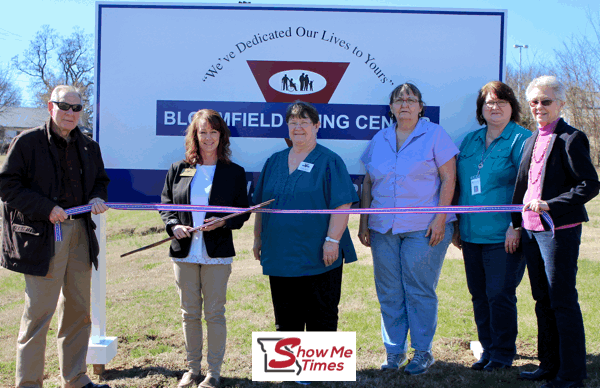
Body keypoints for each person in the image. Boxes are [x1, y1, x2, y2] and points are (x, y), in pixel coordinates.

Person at [0, 85, 110, 388]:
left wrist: (98, 197)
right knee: (38, 316)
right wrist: (46, 208)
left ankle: (75, 378)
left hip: (80, 235)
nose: (71, 113)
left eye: (77, 108)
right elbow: (8, 187)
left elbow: (101, 181)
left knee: (78, 311)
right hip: (43, 237)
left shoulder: (89, 146)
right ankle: (28, 383)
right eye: (64, 106)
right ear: (51, 107)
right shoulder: (27, 142)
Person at [358, 83, 458, 375]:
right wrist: (364, 221)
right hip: (382, 228)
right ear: (391, 108)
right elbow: (367, 182)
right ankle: (394, 353)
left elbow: (449, 179)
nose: (405, 104)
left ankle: (423, 352)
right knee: (389, 291)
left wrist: (440, 219)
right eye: (399, 100)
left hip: (425, 228)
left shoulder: (435, 135)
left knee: (419, 290)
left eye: (411, 100)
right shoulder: (380, 138)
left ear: (420, 107)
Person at [512, 76, 599, 388]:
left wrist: (551, 204)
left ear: (561, 104)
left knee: (562, 299)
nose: (538, 107)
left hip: (559, 231)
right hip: (531, 231)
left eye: (545, 101)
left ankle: (572, 373)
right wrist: (516, 225)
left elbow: (590, 184)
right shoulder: (529, 140)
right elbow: (522, 188)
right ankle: (548, 365)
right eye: (534, 101)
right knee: (541, 300)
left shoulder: (571, 138)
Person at [160, 109, 250, 388]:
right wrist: (174, 225)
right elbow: (166, 205)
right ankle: (192, 369)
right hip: (184, 252)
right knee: (188, 313)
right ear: (194, 136)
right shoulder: (179, 168)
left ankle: (213, 372)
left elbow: (243, 213)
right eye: (203, 132)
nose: (208, 137)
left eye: (213, 131)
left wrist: (222, 222)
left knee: (214, 313)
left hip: (217, 253)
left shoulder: (234, 172)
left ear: (221, 135)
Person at [252, 101, 358, 332]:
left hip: (319, 257)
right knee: (286, 320)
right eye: (293, 122)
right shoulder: (274, 161)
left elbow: (342, 204)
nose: (298, 127)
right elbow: (261, 206)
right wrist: (258, 239)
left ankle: (321, 369)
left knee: (322, 318)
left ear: (317, 126)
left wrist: (332, 241)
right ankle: (290, 368)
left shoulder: (329, 161)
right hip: (280, 255)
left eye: (304, 122)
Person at [453, 81, 531, 371]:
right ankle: (487, 349)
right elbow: (461, 185)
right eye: (488, 103)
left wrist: (517, 225)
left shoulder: (522, 139)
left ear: (512, 107)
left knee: (499, 294)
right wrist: (459, 224)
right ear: (480, 110)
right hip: (472, 233)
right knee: (480, 295)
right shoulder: (470, 140)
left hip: (505, 234)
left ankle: (503, 353)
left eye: (501, 102)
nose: (494, 107)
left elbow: (529, 187)